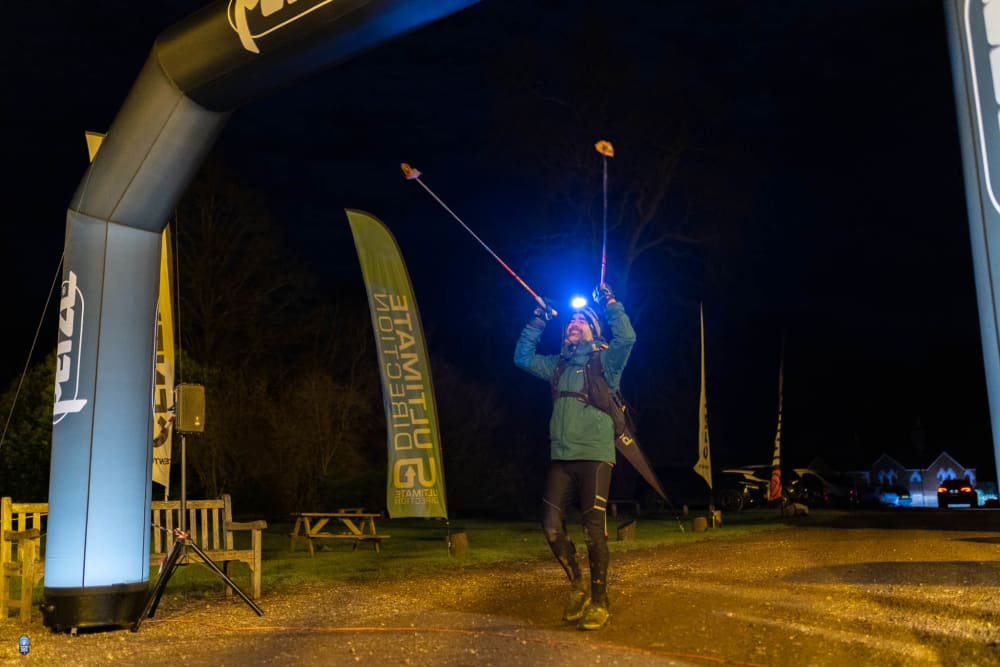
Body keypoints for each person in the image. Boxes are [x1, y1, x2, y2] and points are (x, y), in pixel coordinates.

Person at [513, 283, 636, 631]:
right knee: (551, 526)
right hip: (562, 458)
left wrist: (610, 303)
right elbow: (522, 358)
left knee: (593, 531)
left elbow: (627, 338)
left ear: (594, 330)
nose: (574, 323)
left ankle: (600, 602)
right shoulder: (557, 365)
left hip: (595, 456)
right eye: (571, 321)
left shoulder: (605, 363)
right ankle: (578, 584)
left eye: (582, 320)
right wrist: (538, 319)